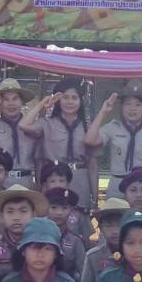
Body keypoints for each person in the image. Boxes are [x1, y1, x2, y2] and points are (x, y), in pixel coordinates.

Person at [21, 77, 96, 208]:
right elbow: (23, 125)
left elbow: (92, 164)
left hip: (79, 178)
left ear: (80, 101)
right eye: (65, 97)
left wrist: (95, 197)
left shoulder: (88, 127)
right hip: (54, 179)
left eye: (74, 98)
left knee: (79, 216)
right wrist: (42, 104)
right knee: (55, 214)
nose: (70, 102)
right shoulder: (47, 123)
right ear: (58, 100)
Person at [87, 81, 142, 198]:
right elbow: (90, 140)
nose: (132, 108)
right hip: (117, 186)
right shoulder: (113, 127)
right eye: (128, 104)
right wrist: (103, 112)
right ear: (121, 107)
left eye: (138, 105)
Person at [79, 197, 131, 282]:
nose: (115, 231)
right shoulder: (93, 257)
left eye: (120, 225)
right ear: (101, 228)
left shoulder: (140, 254)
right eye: (108, 225)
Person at [44, 187, 86, 277]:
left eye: (64, 208)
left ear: (71, 210)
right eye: (53, 207)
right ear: (46, 209)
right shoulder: (36, 236)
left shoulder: (75, 241)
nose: (59, 212)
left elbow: (83, 272)